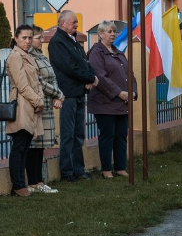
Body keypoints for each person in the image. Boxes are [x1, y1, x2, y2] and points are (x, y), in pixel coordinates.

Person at [48, 10, 98, 182]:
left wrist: (92, 77)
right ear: (62, 23)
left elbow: (85, 62)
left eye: (76, 22)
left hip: (79, 92)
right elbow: (69, 67)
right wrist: (90, 78)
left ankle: (79, 168)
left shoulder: (74, 41)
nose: (76, 25)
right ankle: (67, 171)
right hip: (68, 94)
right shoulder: (57, 42)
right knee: (68, 134)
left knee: (79, 134)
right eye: (73, 22)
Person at [87, 21, 136, 178]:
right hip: (105, 103)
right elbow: (100, 76)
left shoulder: (118, 52)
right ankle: (106, 170)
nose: (113, 34)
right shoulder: (96, 52)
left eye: (114, 31)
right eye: (109, 31)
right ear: (101, 34)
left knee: (121, 134)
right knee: (108, 135)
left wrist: (132, 92)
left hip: (122, 103)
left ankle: (121, 167)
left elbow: (130, 74)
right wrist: (118, 93)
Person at [6, 25, 45, 197]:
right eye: (24, 38)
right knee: (19, 145)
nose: (28, 41)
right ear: (16, 38)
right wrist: (37, 100)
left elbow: (36, 81)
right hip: (22, 104)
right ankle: (18, 184)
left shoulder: (28, 56)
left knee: (25, 146)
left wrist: (40, 99)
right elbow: (22, 85)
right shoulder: (15, 56)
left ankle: (21, 184)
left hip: (31, 105)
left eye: (30, 38)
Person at [27, 35, 63, 194]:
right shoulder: (29, 57)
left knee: (41, 145)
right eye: (37, 37)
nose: (41, 40)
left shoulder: (42, 55)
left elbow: (53, 77)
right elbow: (39, 81)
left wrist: (58, 95)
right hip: (37, 104)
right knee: (34, 144)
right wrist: (59, 94)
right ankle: (33, 181)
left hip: (48, 102)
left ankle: (39, 181)